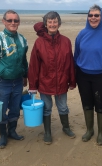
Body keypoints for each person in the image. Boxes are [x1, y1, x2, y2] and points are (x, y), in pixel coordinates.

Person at [28, 11, 76, 145]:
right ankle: (47, 132)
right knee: (47, 108)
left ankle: (66, 127)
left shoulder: (66, 41)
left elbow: (70, 62)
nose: (52, 24)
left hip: (61, 83)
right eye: (50, 22)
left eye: (55, 21)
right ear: (46, 24)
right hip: (45, 83)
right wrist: (32, 86)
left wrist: (72, 81)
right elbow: (33, 65)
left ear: (59, 23)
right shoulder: (39, 42)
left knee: (63, 107)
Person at [74, 4, 102, 146]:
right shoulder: (81, 34)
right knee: (87, 103)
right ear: (87, 17)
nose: (93, 18)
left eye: (96, 15)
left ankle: (100, 132)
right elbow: (76, 56)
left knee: (100, 103)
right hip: (83, 75)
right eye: (91, 15)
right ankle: (89, 130)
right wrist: (73, 75)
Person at [0, 10, 28, 149]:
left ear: (19, 22)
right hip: (2, 83)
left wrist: (25, 76)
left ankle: (12, 131)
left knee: (15, 109)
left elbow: (23, 61)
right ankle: (3, 135)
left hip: (18, 81)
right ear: (4, 21)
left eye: (15, 20)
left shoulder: (22, 39)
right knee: (1, 111)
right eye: (10, 20)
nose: (13, 23)